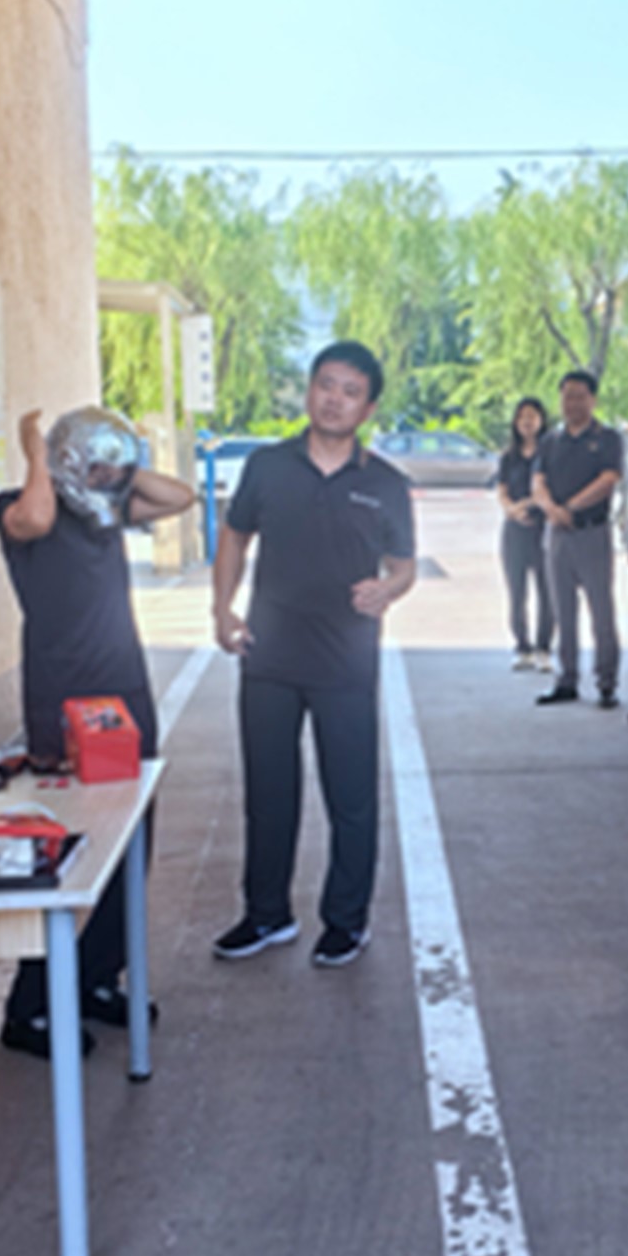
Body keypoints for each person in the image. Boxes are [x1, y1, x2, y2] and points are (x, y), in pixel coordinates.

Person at [0, 406, 196, 1059]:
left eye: (114, 463)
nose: (108, 475)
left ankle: (94, 978)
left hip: (125, 697)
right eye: (94, 460)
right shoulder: (23, 509)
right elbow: (37, 517)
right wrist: (36, 451)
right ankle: (28, 1008)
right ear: (63, 459)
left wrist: (122, 465)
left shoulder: (105, 512)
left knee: (131, 845)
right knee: (64, 852)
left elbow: (181, 496)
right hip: (62, 702)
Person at [211, 342, 418, 967]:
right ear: (309, 391)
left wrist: (390, 589)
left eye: (350, 391)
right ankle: (266, 914)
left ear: (369, 406)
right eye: (326, 385)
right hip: (268, 652)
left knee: (350, 796)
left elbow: (404, 566)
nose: (335, 398)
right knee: (268, 793)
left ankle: (346, 921)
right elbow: (234, 537)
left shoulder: (385, 483)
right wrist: (222, 610)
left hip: (346, 660)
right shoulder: (268, 467)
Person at [533, 369, 625, 708]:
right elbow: (537, 482)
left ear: (593, 399)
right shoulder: (550, 441)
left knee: (601, 611)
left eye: (580, 395)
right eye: (566, 395)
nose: (572, 402)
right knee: (562, 610)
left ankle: (606, 682)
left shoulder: (607, 438)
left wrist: (570, 506)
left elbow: (608, 478)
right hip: (556, 533)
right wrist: (551, 510)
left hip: (591, 533)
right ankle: (567, 679)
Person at [494, 398, 554, 672]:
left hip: (543, 530)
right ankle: (522, 647)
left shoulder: (551, 452)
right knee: (517, 591)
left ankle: (544, 648)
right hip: (514, 531)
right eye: (521, 417)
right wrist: (511, 510)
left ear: (542, 420)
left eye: (532, 416)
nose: (527, 422)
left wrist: (529, 504)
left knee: (547, 591)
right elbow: (502, 490)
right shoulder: (509, 456)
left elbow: (550, 490)